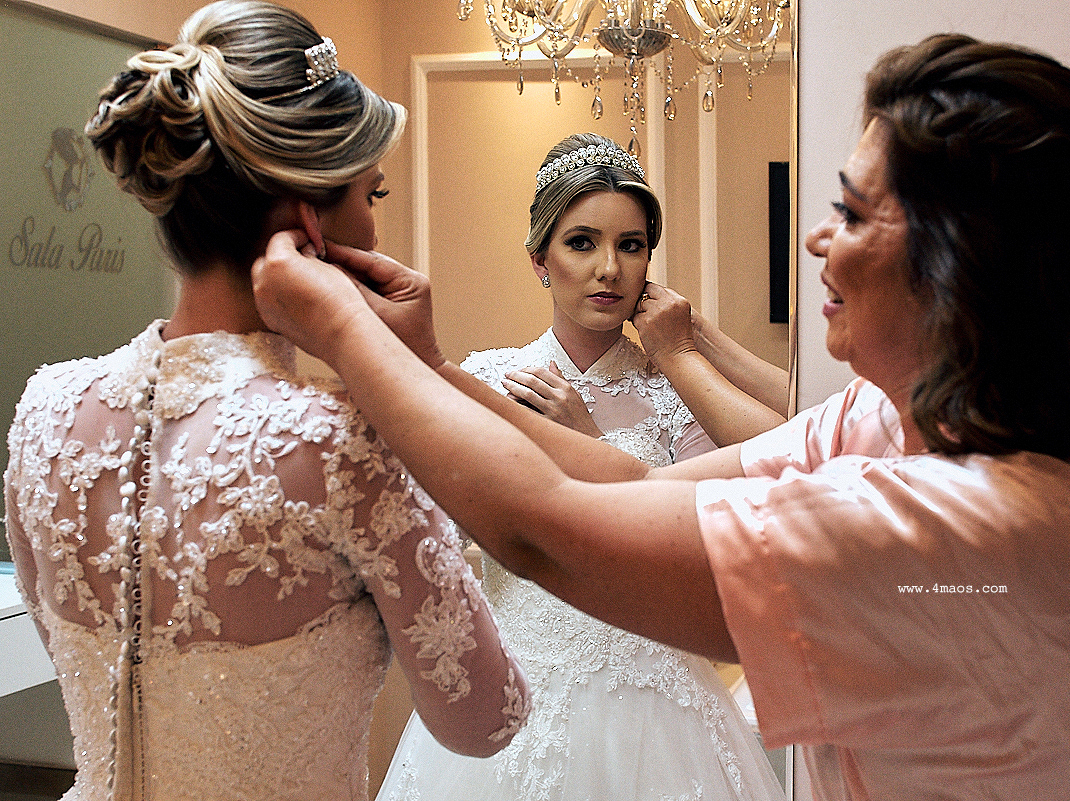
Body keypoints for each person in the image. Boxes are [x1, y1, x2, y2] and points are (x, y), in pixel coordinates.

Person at [253, 33, 1070, 798]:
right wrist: (429, 364)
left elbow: (554, 537)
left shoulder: (963, 542)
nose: (819, 237)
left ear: (965, 268)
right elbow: (630, 487)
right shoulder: (883, 417)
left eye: (856, 214)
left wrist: (345, 333)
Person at [2, 3, 529, 799]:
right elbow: (486, 719)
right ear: (306, 221)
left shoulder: (44, 411)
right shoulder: (341, 441)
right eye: (372, 194)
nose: (376, 230)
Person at [377, 132, 785, 801]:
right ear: (540, 260)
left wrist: (589, 442)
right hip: (518, 698)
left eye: (630, 245)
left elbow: (702, 540)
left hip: (657, 701)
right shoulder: (487, 379)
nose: (609, 269)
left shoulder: (676, 387)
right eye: (581, 242)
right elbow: (442, 549)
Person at [632, 281, 790, 445]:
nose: (611, 269)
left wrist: (682, 347)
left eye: (630, 252)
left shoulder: (678, 398)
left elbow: (784, 449)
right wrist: (693, 333)